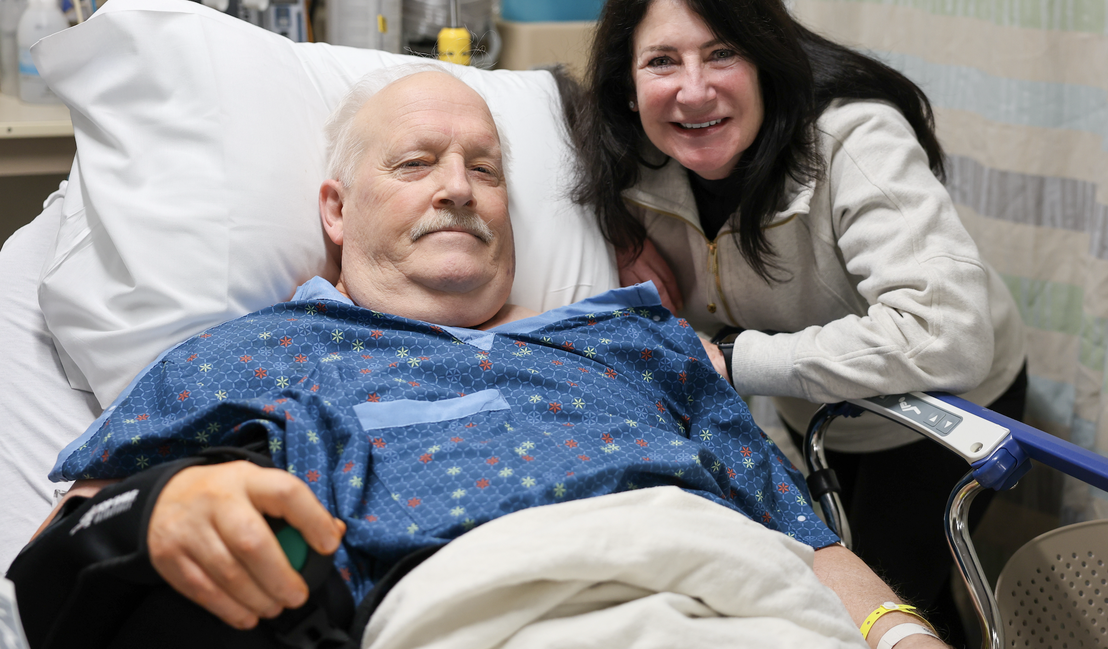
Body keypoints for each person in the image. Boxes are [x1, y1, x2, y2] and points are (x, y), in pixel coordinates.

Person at [11, 67, 947, 649]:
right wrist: (168, 506)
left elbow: (807, 535)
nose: (458, 188)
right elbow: (78, 529)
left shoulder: (634, 338)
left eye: (486, 168)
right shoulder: (255, 351)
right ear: (337, 210)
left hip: (753, 604)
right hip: (477, 610)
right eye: (416, 165)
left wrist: (900, 633)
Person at [567, 0, 1027, 646]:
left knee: (883, 609)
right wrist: (622, 237)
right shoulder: (634, 158)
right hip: (816, 409)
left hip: (947, 407)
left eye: (721, 52)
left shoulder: (850, 139)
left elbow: (951, 334)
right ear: (627, 86)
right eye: (662, 60)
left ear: (765, 59)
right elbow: (550, 98)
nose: (694, 89)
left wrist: (733, 359)